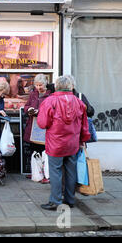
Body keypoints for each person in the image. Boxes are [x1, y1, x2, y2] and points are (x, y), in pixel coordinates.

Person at [37, 76, 90, 211]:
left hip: (56, 143)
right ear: (70, 86)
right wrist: (83, 139)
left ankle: (55, 201)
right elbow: (85, 125)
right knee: (71, 171)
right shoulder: (78, 102)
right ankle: (70, 199)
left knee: (55, 172)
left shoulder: (50, 101)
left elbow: (42, 123)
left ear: (56, 86)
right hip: (72, 143)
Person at [23, 74, 52, 184]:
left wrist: (40, 111)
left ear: (45, 84)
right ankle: (36, 172)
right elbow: (26, 106)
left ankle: (46, 174)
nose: (38, 87)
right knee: (34, 149)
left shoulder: (50, 95)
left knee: (44, 150)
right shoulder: (33, 94)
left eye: (40, 85)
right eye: (36, 85)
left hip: (44, 126)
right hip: (33, 125)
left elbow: (51, 110)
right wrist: (29, 109)